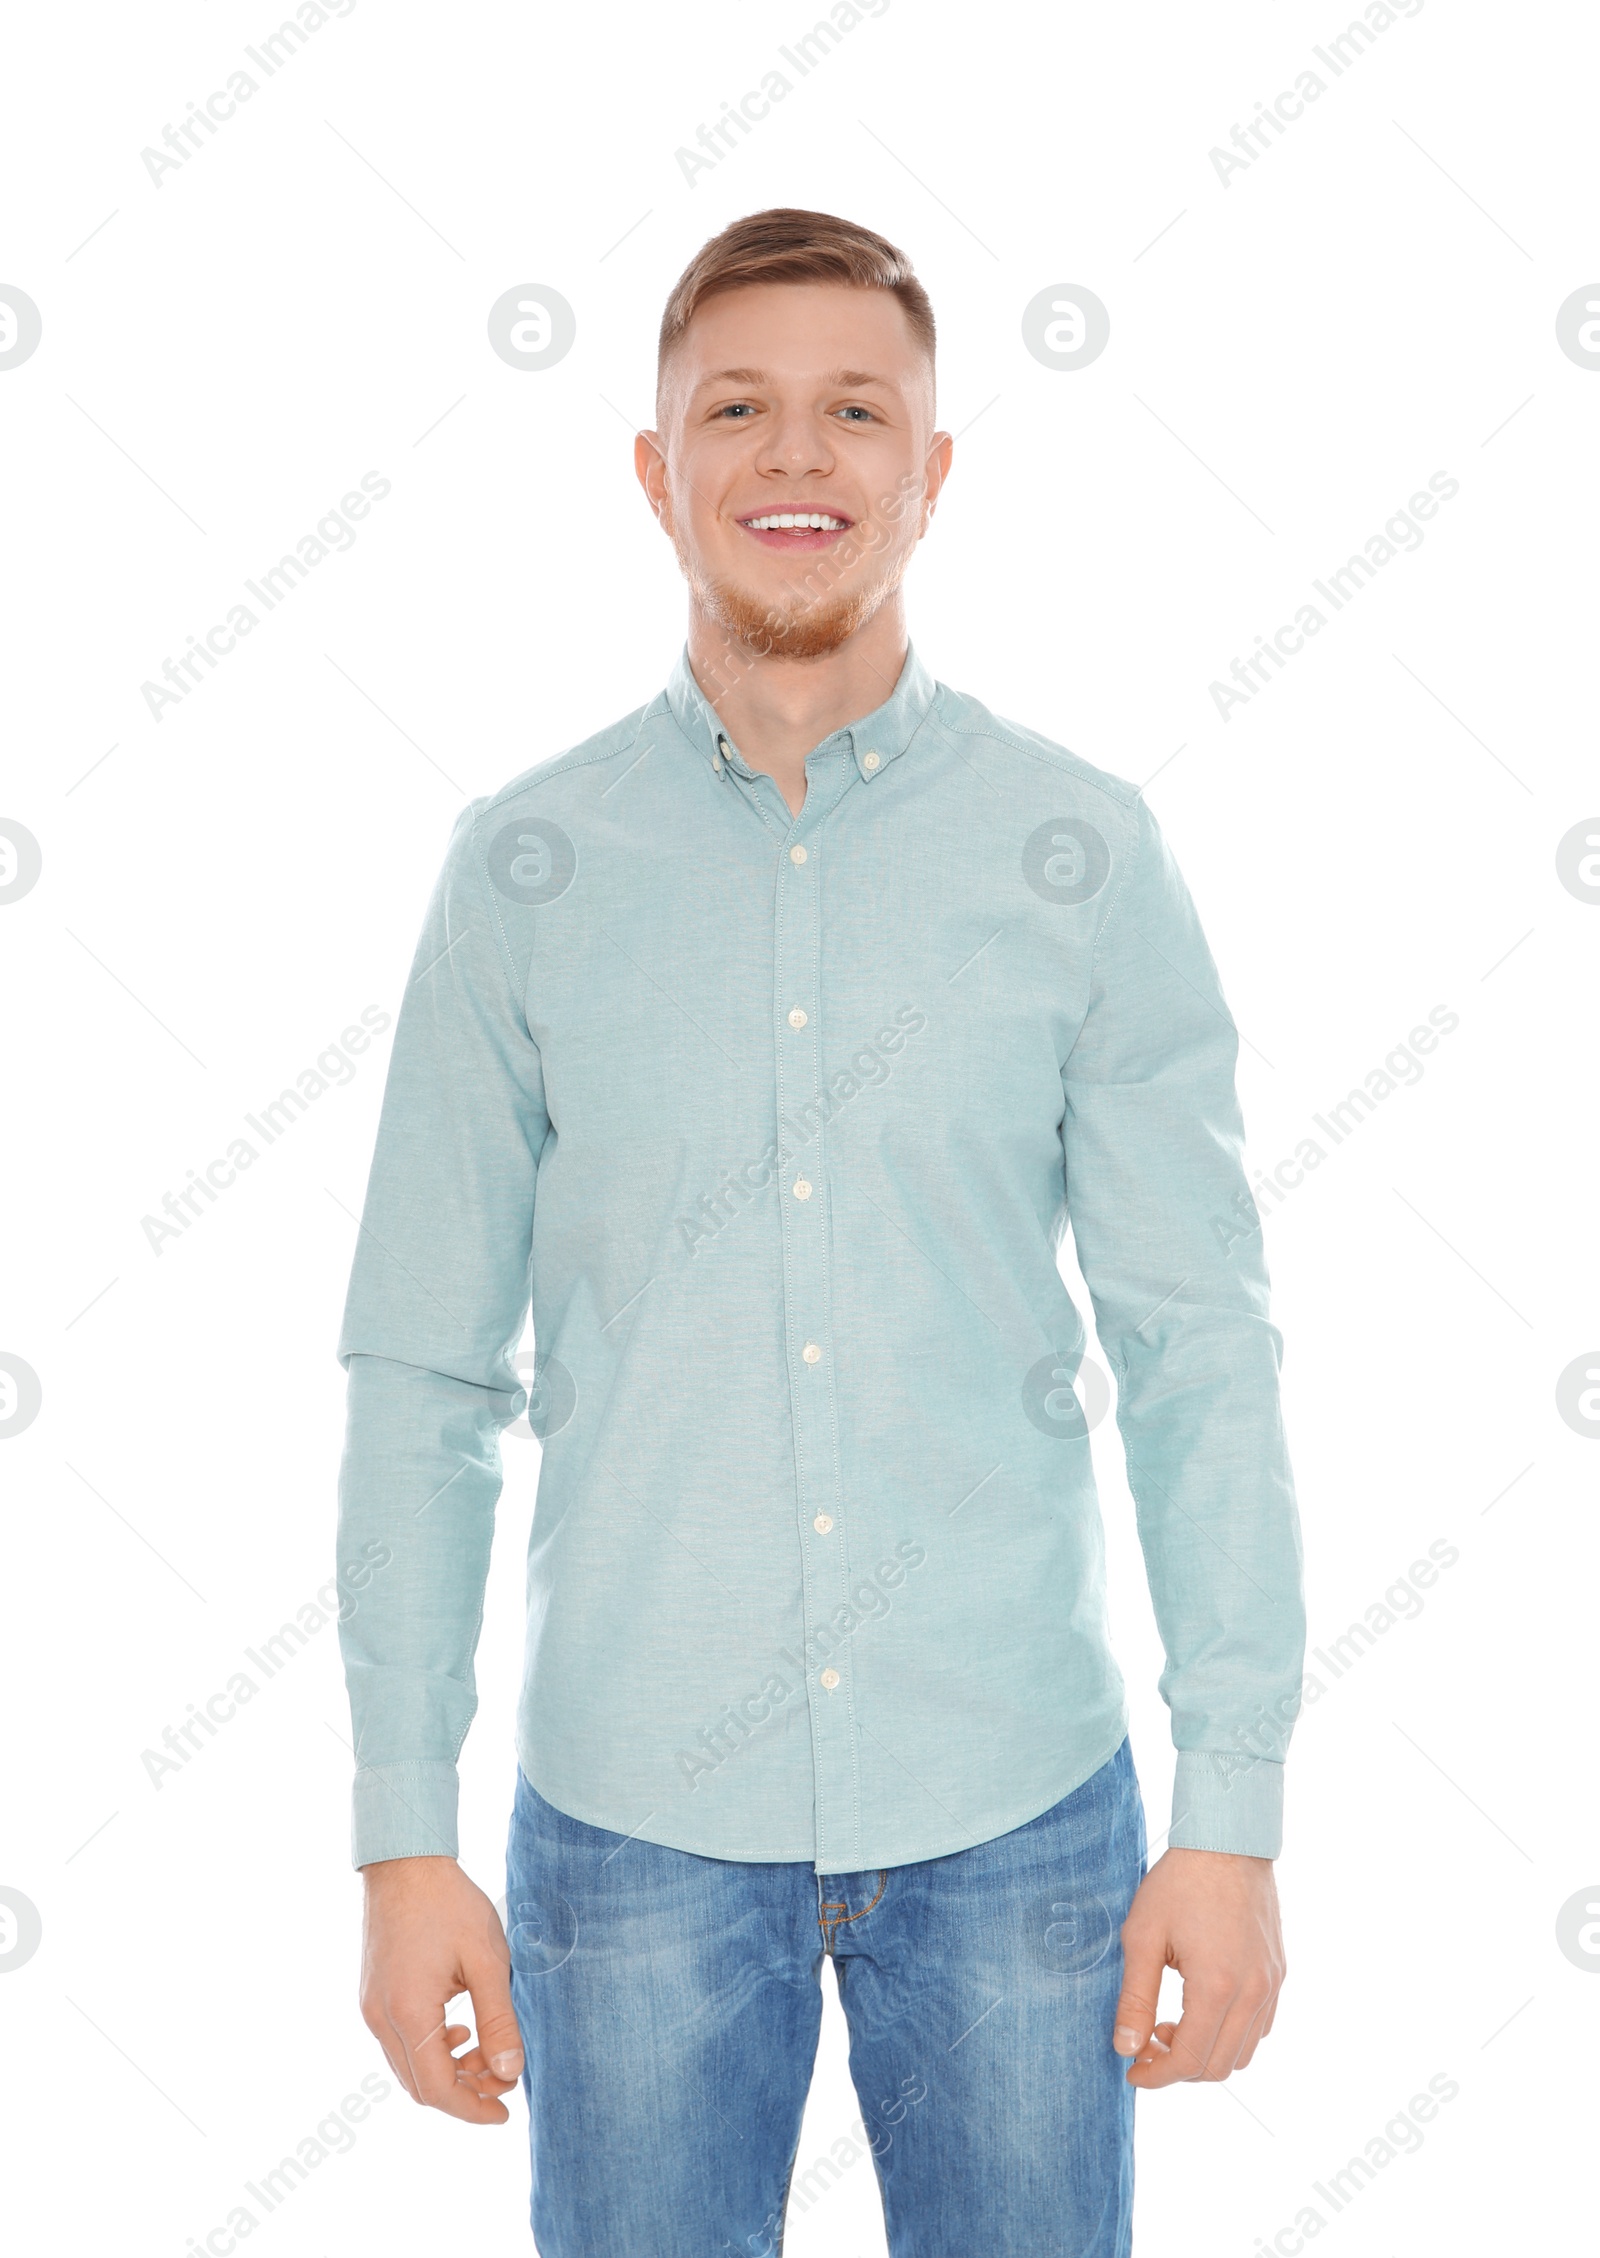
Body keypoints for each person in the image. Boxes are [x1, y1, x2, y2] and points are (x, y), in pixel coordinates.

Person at [335, 206, 1305, 2258]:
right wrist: (400, 1838)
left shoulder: (1080, 860)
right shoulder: (519, 873)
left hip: (1017, 1816)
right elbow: (425, 1375)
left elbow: (1195, 1345)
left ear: (930, 470)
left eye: (855, 410)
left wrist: (1226, 1810)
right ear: (652, 470)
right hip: (629, 1839)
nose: (797, 457)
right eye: (737, 410)